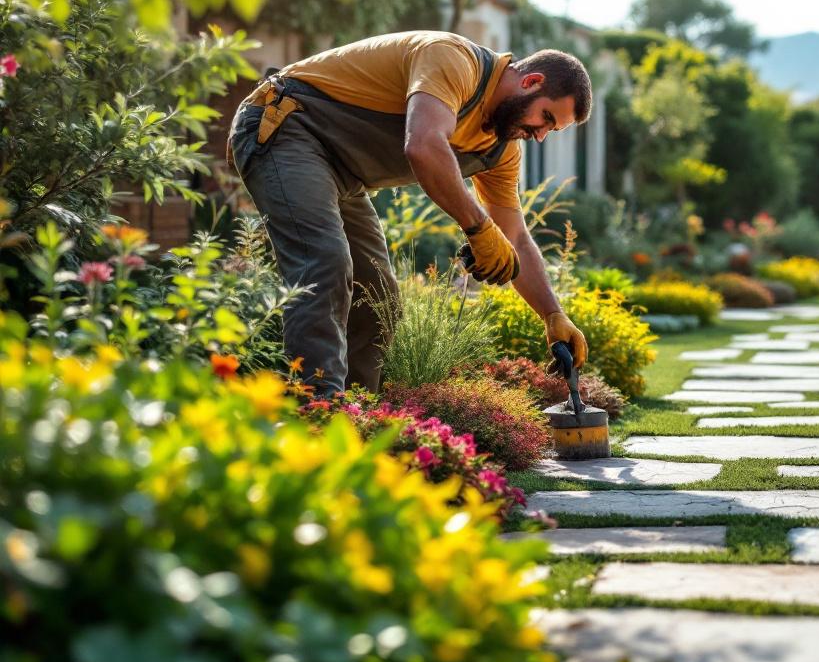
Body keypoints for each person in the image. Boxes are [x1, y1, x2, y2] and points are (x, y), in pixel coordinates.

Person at [227, 30, 590, 398]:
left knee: (378, 295)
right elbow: (423, 145)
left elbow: (513, 236)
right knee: (325, 264)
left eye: (551, 129)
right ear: (530, 82)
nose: (540, 135)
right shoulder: (453, 59)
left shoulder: (500, 149)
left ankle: (356, 418)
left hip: (339, 173)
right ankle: (317, 414)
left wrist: (552, 315)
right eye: (545, 117)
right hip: (287, 124)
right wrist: (479, 228)